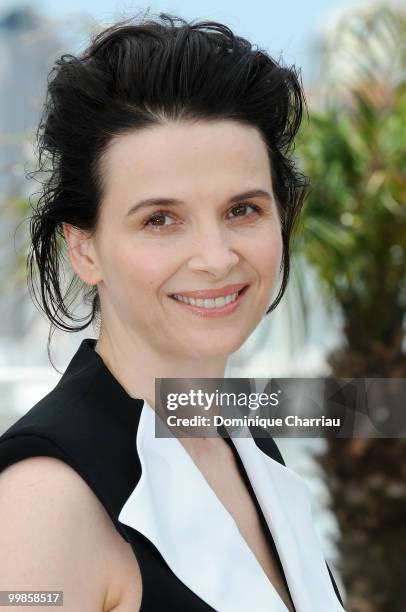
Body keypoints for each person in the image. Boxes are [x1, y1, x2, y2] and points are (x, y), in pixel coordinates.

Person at [0, 12, 345, 612]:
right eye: (160, 219)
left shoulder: (245, 438)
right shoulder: (44, 502)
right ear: (85, 249)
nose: (216, 258)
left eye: (243, 210)